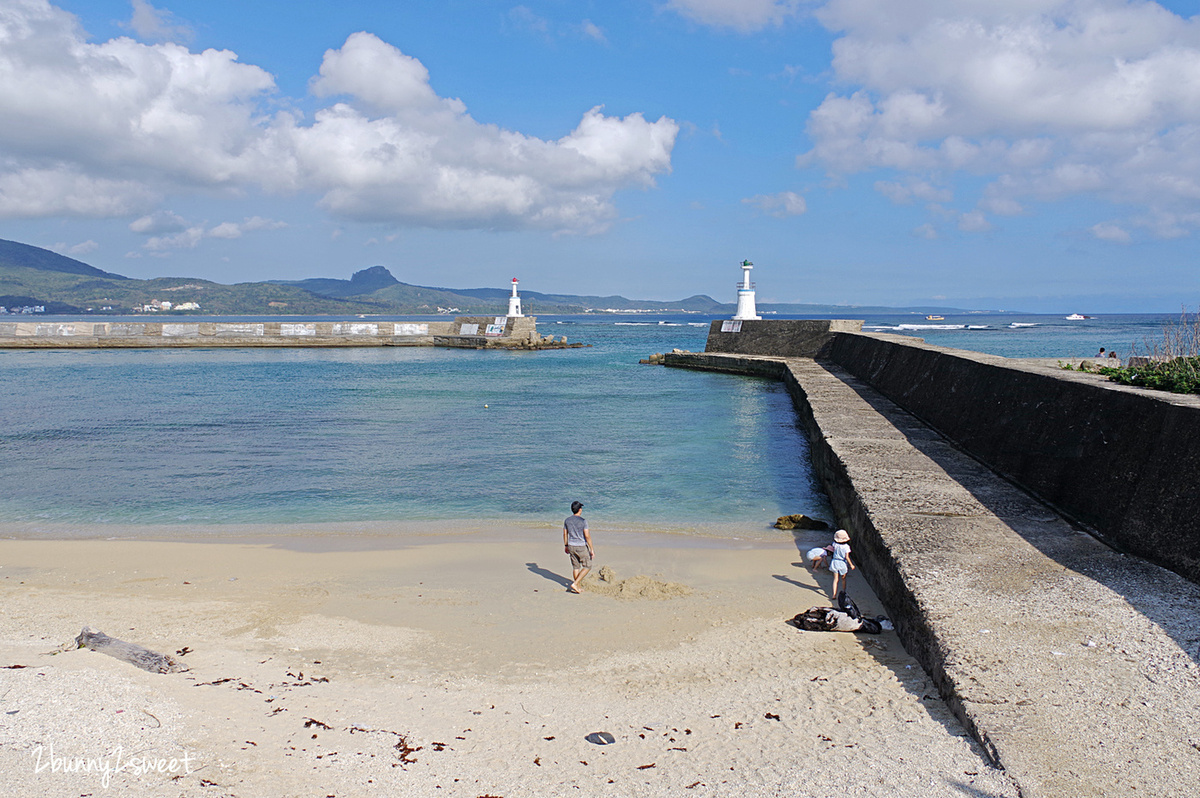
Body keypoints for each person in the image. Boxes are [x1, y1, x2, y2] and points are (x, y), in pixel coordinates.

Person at [563, 500, 594, 594]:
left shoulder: (567, 520)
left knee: (576, 567)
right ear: (580, 510)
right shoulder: (583, 521)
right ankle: (576, 583)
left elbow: (565, 534)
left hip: (571, 545)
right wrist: (591, 549)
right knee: (588, 566)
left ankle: (578, 587)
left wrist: (566, 545)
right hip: (581, 546)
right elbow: (587, 535)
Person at [828, 529, 855, 599]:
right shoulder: (846, 547)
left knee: (835, 579)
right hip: (842, 562)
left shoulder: (835, 544)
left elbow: (832, 549)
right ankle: (843, 592)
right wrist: (851, 565)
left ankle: (834, 594)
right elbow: (847, 557)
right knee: (843, 578)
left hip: (834, 562)